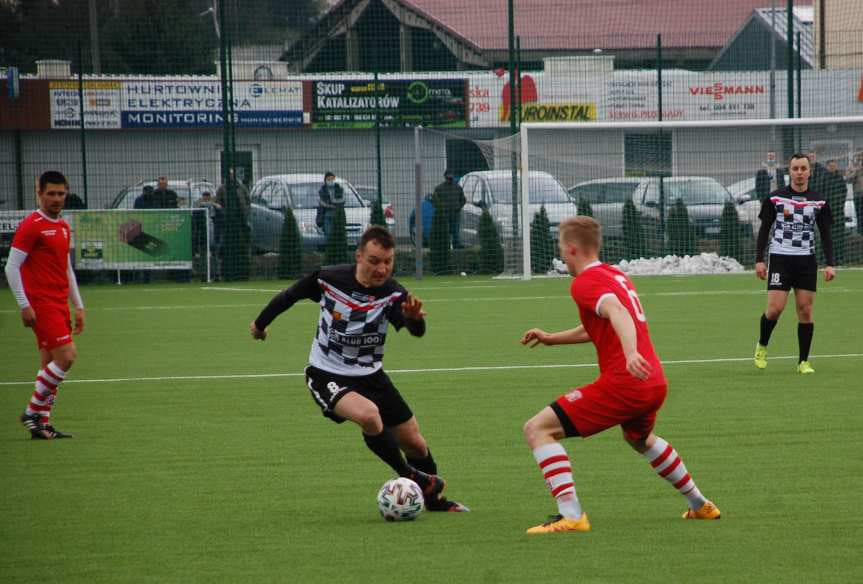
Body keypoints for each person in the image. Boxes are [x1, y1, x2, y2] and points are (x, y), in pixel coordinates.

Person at [519, 216, 719, 534]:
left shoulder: (583, 283)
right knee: (639, 439)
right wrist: (551, 337)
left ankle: (571, 516)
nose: (561, 255)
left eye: (561, 248)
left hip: (626, 383)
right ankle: (700, 505)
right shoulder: (614, 274)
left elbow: (617, 312)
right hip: (652, 380)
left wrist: (629, 353)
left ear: (572, 249)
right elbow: (601, 322)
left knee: (537, 429)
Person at [249, 226, 468, 513]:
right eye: (374, 260)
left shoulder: (393, 294)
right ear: (359, 256)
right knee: (369, 416)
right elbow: (289, 296)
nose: (382, 268)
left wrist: (414, 319)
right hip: (326, 374)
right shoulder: (328, 279)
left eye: (388, 262)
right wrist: (260, 324)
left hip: (371, 376)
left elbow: (416, 331)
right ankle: (412, 476)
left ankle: (433, 500)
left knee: (415, 442)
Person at [4, 170, 85, 440]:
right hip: (41, 304)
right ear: (39, 193)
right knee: (67, 357)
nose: (56, 198)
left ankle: (42, 425)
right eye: (50, 193)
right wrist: (24, 304)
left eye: (61, 193)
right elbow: (11, 267)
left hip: (59, 302)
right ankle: (31, 412)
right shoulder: (31, 225)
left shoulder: (62, 226)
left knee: (49, 364)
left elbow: (66, 269)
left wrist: (79, 305)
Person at [754, 153, 835, 374]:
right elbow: (764, 230)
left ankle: (803, 362)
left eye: (803, 168)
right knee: (774, 309)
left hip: (806, 261)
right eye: (795, 168)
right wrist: (759, 260)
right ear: (789, 171)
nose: (799, 173)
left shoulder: (819, 201)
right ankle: (762, 345)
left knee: (805, 310)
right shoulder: (775, 198)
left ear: (810, 171)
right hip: (780, 259)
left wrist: (830, 264)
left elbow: (826, 234)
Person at [431, 169, 466, 248]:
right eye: (448, 177)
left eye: (451, 177)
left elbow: (463, 200)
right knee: (445, 231)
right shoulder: (439, 188)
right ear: (445, 177)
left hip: (454, 213)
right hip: (445, 214)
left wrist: (458, 207)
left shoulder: (458, 188)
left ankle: (456, 245)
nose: (449, 179)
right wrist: (441, 209)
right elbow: (434, 200)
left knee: (455, 231)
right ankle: (446, 245)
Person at [823, 160, 846, 265]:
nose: (832, 167)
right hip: (828, 212)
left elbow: (844, 191)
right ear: (827, 167)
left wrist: (840, 204)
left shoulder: (840, 178)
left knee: (840, 235)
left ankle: (840, 257)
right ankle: (829, 259)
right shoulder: (824, 179)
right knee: (829, 235)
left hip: (839, 211)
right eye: (830, 166)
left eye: (834, 166)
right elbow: (822, 193)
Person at [317, 172, 345, 240]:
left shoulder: (339, 189)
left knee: (338, 235)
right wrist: (331, 204)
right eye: (328, 179)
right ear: (325, 180)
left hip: (338, 214)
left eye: (332, 179)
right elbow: (322, 202)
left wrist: (333, 202)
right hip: (326, 215)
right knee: (328, 234)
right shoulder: (322, 190)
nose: (330, 181)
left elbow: (342, 200)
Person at [845, 151, 863, 235]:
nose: (860, 157)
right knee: (859, 215)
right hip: (858, 194)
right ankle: (860, 234)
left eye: (861, 155)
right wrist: (855, 172)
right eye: (859, 155)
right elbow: (848, 179)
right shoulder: (852, 167)